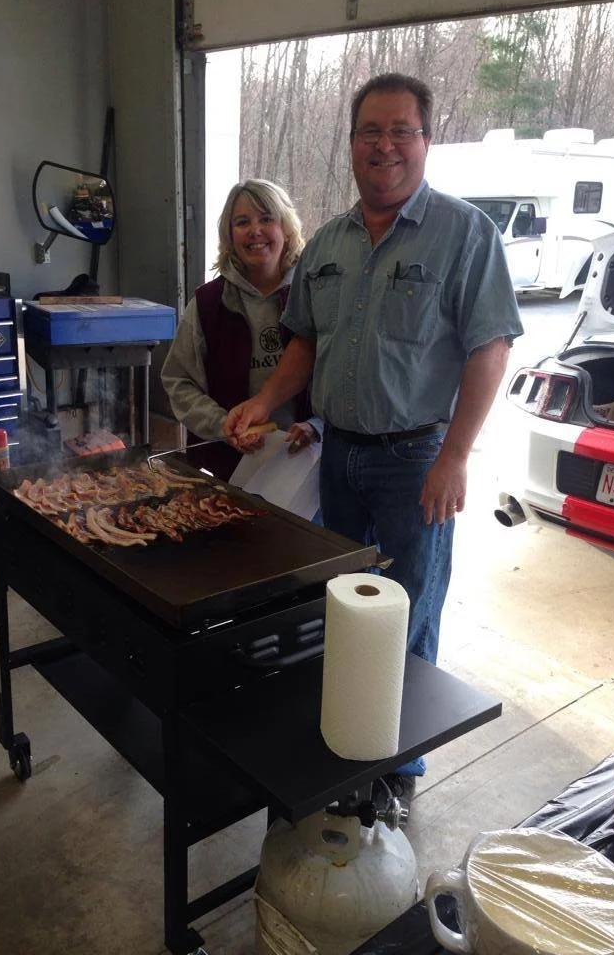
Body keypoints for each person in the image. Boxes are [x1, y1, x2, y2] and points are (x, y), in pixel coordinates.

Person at [224, 73, 523, 800]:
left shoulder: (464, 234)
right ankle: (348, 734)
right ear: (351, 144)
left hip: (416, 457)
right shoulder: (326, 243)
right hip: (338, 452)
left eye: (401, 131)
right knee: (344, 603)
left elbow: (490, 347)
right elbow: (306, 344)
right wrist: (263, 399)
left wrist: (455, 457)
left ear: (425, 140)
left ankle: (397, 769)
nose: (384, 146)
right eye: (370, 132)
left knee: (409, 608)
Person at [161, 178, 321, 482]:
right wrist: (222, 424)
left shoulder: (314, 296)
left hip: (303, 467)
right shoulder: (208, 304)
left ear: (286, 228)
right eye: (242, 222)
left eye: (266, 218)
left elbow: (339, 376)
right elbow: (178, 381)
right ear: (229, 235)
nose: (255, 230)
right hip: (224, 468)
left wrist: (317, 425)